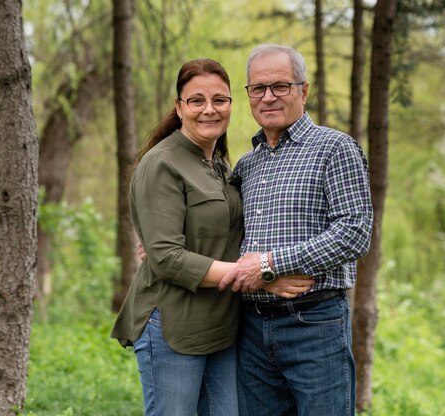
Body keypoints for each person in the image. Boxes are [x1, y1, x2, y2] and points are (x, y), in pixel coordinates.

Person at [110, 58, 313, 416]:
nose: (209, 110)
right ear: (179, 107)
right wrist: (261, 279)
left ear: (232, 105)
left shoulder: (220, 165)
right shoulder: (162, 163)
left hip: (222, 326)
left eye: (220, 100)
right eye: (197, 100)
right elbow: (168, 258)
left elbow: (232, 233)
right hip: (174, 323)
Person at [218, 44, 373, 416]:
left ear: (303, 91)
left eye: (280, 86)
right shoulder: (247, 164)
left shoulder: (334, 148)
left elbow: (355, 231)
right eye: (258, 88)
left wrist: (273, 264)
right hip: (251, 329)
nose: (268, 97)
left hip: (314, 325)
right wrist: (158, 235)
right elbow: (226, 233)